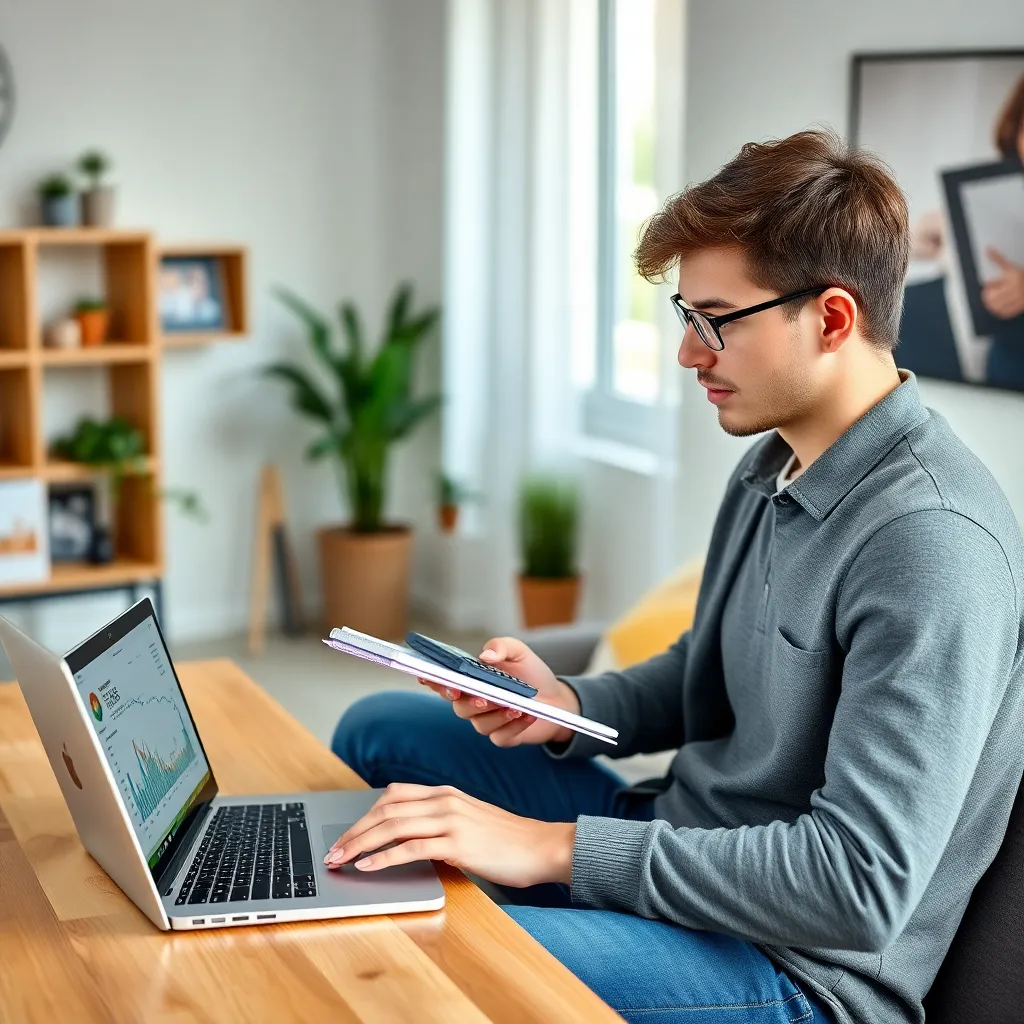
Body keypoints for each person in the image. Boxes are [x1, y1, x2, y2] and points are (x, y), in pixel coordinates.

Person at [328, 129, 1024, 1024]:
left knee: (439, 957)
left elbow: (859, 886)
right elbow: (713, 673)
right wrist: (564, 706)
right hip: (685, 840)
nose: (692, 356)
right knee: (382, 728)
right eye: (685, 320)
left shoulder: (932, 544)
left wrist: (548, 848)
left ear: (833, 318)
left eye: (716, 323)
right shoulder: (778, 460)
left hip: (795, 968)